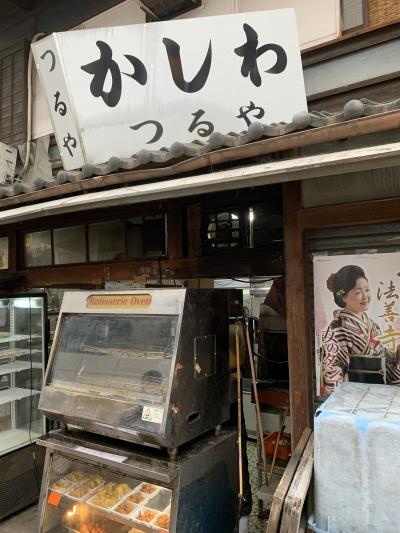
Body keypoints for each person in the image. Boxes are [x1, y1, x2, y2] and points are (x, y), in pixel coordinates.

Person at [321, 265, 400, 394]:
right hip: (355, 392)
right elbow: (332, 368)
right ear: (343, 296)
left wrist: (395, 355)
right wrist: (339, 397)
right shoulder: (337, 329)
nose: (365, 296)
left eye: (367, 290)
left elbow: (378, 353)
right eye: (358, 292)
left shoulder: (372, 324)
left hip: (379, 389)